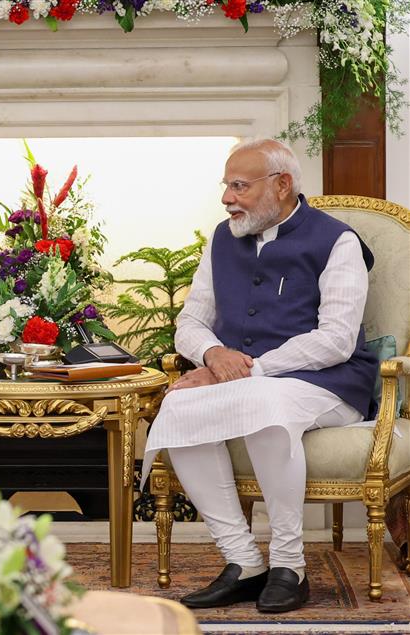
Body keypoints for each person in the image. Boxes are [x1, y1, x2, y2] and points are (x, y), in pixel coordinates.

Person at [141, 138, 378, 613]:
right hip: (251, 384)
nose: (226, 198)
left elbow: (335, 339)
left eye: (239, 186)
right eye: (226, 186)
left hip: (330, 383)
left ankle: (291, 566)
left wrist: (247, 372)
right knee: (180, 405)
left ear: (282, 185)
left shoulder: (338, 241)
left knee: (266, 405)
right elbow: (190, 321)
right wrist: (211, 354)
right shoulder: (222, 238)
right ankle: (244, 561)